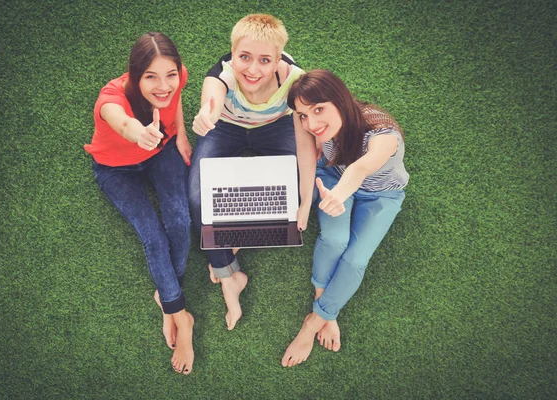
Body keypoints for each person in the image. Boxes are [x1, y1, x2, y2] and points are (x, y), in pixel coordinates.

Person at [281, 70, 409, 367]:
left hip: (381, 196)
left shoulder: (383, 133)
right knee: (335, 240)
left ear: (339, 100)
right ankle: (324, 304)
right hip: (333, 178)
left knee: (355, 260)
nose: (311, 124)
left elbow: (361, 169)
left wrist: (339, 195)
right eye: (302, 115)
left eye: (318, 110)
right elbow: (306, 153)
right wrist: (304, 203)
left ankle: (313, 322)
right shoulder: (304, 121)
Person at [84, 33, 194, 374]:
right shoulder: (111, 96)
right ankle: (182, 318)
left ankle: (167, 300)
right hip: (116, 170)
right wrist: (137, 133)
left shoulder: (179, 77)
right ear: (134, 75)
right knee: (154, 237)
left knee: (181, 222)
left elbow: (176, 104)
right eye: (151, 76)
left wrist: (183, 137)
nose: (164, 86)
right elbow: (119, 119)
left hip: (162, 152)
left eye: (170, 74)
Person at [189, 14, 305, 330]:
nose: (252, 69)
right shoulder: (221, 75)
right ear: (233, 53)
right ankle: (230, 276)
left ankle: (230, 241)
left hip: (274, 126)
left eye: (264, 60)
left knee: (294, 191)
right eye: (244, 58)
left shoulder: (295, 79)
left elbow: (307, 127)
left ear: (278, 60)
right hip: (226, 126)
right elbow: (211, 102)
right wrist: (205, 116)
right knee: (198, 197)